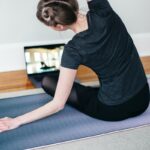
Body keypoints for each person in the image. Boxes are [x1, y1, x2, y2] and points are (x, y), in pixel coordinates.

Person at [0, 0, 150, 133]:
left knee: (48, 81)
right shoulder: (103, 10)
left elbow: (58, 104)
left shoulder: (73, 50)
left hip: (113, 110)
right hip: (143, 98)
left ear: (59, 27)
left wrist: (16, 121)